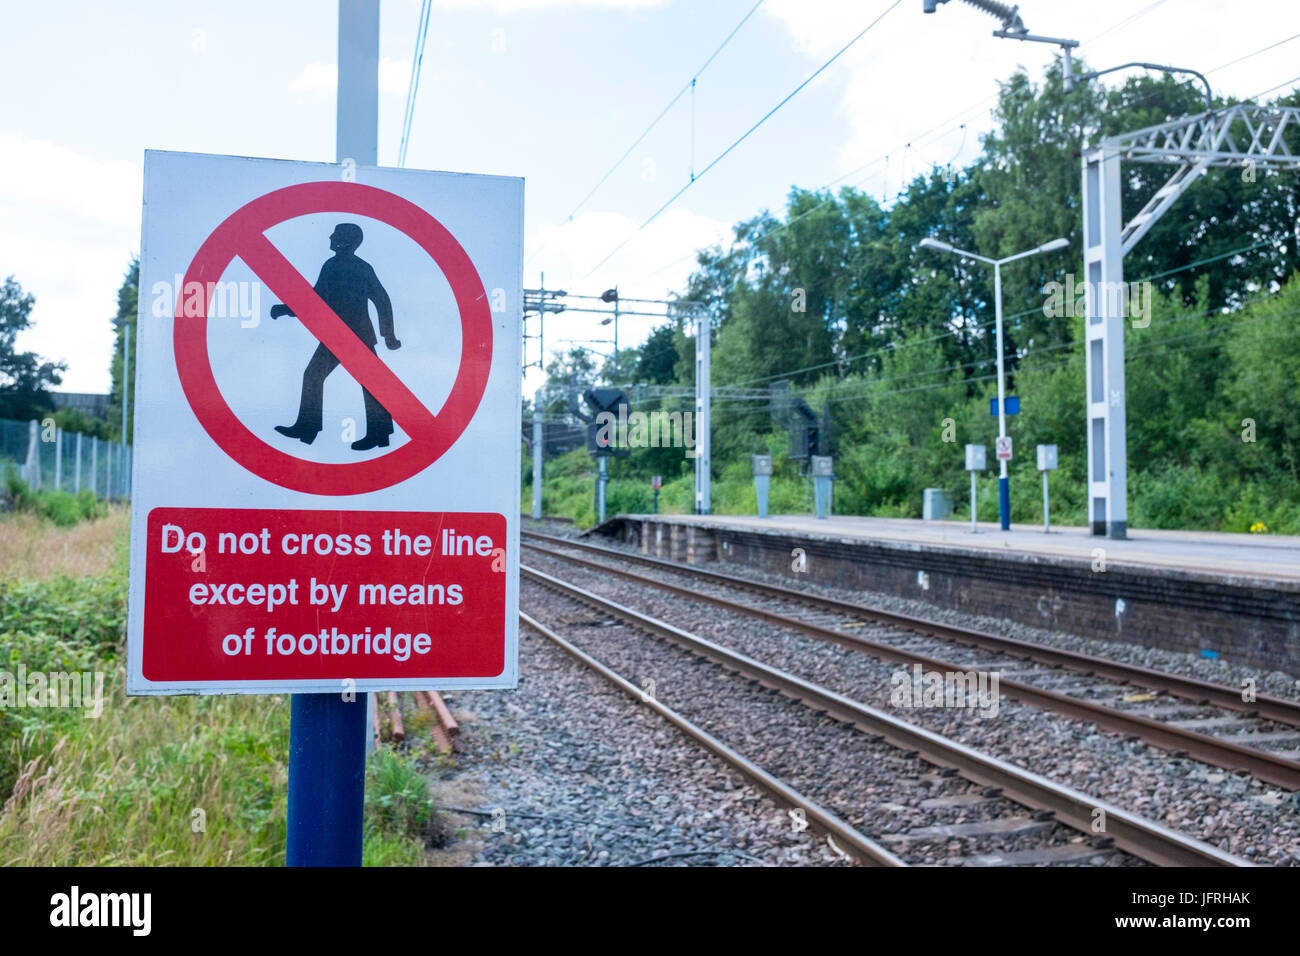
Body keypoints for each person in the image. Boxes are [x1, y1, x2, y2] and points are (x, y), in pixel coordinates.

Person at [270, 223, 401, 451]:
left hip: (356, 336)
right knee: (316, 376)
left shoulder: (360, 268)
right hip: (337, 335)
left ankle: (376, 433)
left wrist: (388, 334)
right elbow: (314, 298)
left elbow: (382, 299)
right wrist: (285, 309)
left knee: (368, 383)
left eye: (336, 234)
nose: (330, 237)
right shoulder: (330, 266)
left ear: (345, 240)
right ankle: (308, 427)